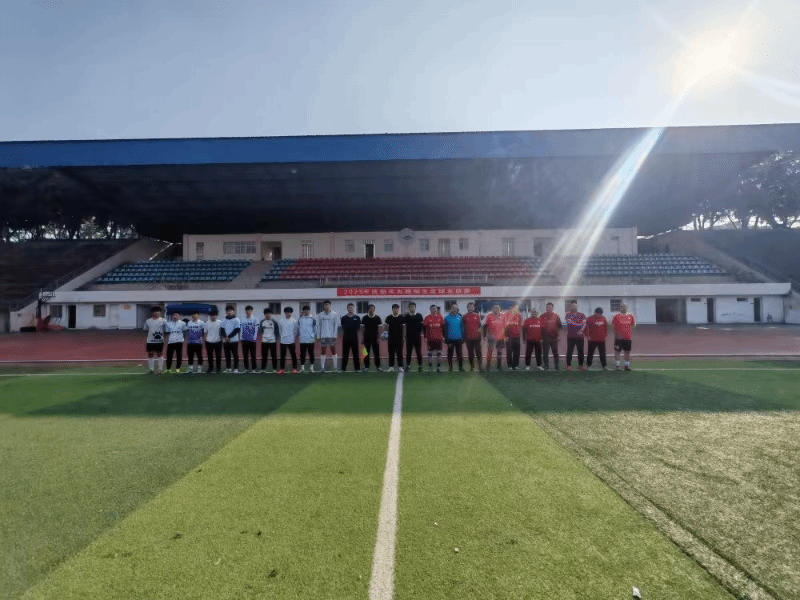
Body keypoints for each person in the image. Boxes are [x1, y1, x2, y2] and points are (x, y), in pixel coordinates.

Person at [611, 303, 636, 371]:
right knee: (617, 351)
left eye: (625, 307)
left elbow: (633, 325)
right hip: (618, 338)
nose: (623, 308)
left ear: (627, 308)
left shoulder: (631, 316)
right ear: (620, 308)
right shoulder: (615, 316)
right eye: (622, 307)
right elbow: (611, 326)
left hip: (628, 338)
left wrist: (628, 333)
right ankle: (617, 366)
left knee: (627, 352)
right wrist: (616, 334)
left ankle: (626, 366)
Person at [316, 300, 339, 373]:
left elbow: (336, 325)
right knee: (323, 352)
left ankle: (335, 368)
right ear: (323, 306)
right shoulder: (320, 315)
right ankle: (322, 368)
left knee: (333, 352)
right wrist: (318, 336)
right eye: (325, 305)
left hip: (331, 336)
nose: (326, 306)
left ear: (330, 305)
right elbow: (318, 326)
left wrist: (335, 335)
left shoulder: (334, 314)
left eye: (328, 305)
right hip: (323, 336)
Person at [143, 306, 167, 374]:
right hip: (150, 341)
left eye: (157, 311)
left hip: (160, 341)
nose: (156, 313)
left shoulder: (163, 321)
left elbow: (166, 331)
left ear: (160, 312)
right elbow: (146, 330)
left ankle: (160, 369)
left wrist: (163, 338)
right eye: (154, 311)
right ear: (152, 312)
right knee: (150, 354)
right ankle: (151, 369)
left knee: (159, 354)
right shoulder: (148, 321)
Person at [564, 302, 587, 372]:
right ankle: (569, 365)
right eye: (573, 306)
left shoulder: (582, 315)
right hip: (571, 336)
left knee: (581, 351)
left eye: (575, 306)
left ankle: (581, 365)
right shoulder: (568, 314)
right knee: (569, 351)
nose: (574, 307)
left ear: (577, 307)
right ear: (570, 307)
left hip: (580, 336)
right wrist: (580, 325)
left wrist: (581, 331)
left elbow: (584, 324)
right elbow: (570, 323)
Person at [540, 302, 562, 370]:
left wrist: (558, 336)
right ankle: (546, 365)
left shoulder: (556, 316)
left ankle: (557, 365)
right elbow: (540, 328)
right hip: (545, 338)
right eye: (547, 307)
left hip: (554, 338)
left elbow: (559, 326)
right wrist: (541, 338)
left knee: (555, 352)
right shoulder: (542, 316)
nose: (548, 308)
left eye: (549, 307)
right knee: (545, 352)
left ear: (552, 308)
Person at [340, 303, 362, 372]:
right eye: (349, 308)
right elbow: (343, 327)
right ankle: (343, 369)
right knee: (345, 354)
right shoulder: (344, 318)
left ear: (353, 309)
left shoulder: (357, 317)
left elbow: (358, 327)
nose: (350, 309)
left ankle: (357, 368)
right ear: (347, 309)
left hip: (354, 338)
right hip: (346, 338)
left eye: (351, 308)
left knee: (356, 354)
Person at [361, 304, 383, 371]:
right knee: (365, 353)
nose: (371, 310)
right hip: (366, 338)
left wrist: (379, 338)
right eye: (370, 308)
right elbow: (362, 329)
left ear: (374, 310)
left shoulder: (378, 318)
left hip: (375, 338)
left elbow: (380, 329)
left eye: (373, 308)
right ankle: (366, 367)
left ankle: (378, 366)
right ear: (368, 310)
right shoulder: (364, 318)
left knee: (376, 353)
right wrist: (362, 337)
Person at [423, 304, 444, 372]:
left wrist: (443, 336)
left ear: (437, 310)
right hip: (430, 339)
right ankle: (430, 366)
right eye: (433, 309)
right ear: (430, 310)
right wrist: (425, 337)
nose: (434, 310)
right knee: (430, 353)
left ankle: (438, 366)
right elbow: (424, 328)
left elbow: (443, 327)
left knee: (439, 353)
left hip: (438, 339)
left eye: (435, 309)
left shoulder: (440, 317)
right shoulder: (427, 318)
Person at [484, 304, 506, 371]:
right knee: (490, 351)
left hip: (500, 337)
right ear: (492, 309)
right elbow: (485, 326)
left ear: (500, 310)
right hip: (491, 337)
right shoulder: (489, 316)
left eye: (498, 309)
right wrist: (485, 335)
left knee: (499, 351)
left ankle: (499, 365)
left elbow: (505, 327)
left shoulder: (503, 316)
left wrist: (506, 335)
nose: (496, 310)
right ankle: (488, 365)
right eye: (495, 308)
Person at [444, 302, 465, 371]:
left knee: (460, 354)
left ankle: (461, 367)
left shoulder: (460, 317)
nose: (454, 309)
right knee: (450, 354)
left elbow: (462, 328)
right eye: (453, 308)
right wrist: (446, 339)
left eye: (455, 308)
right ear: (450, 309)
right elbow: (445, 329)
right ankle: (450, 368)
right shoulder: (446, 318)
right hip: (450, 339)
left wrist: (463, 337)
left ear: (457, 309)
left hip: (458, 339)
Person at [462, 301, 483, 371]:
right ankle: (472, 367)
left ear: (474, 308)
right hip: (468, 338)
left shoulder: (477, 315)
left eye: (472, 307)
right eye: (469, 307)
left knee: (478, 352)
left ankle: (480, 366)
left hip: (477, 338)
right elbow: (463, 327)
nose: (470, 308)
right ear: (467, 308)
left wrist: (479, 334)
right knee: (470, 353)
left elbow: (479, 326)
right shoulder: (464, 316)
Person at [384, 303, 405, 372]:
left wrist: (404, 336)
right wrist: (385, 334)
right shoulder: (389, 318)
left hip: (399, 338)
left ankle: (400, 366)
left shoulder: (402, 318)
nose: (395, 310)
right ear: (392, 309)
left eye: (397, 309)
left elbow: (404, 327)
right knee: (391, 353)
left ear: (398, 310)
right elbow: (386, 327)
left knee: (399, 353)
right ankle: (391, 366)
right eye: (394, 309)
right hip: (391, 338)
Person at [239, 305, 260, 373]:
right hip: (244, 339)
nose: (248, 312)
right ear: (245, 312)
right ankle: (246, 368)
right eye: (247, 311)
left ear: (252, 311)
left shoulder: (255, 319)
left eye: (250, 310)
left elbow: (256, 329)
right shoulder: (242, 319)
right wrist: (241, 338)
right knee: (245, 355)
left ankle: (254, 368)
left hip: (252, 340)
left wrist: (254, 338)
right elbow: (241, 329)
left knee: (253, 354)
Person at [404, 302, 424, 372]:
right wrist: (405, 335)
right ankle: (408, 365)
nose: (412, 308)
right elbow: (404, 326)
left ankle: (420, 366)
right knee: (408, 352)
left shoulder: (419, 315)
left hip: (417, 337)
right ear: (409, 308)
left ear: (415, 307)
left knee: (418, 351)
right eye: (410, 307)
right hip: (409, 337)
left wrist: (419, 332)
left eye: (413, 307)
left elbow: (422, 326)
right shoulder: (406, 316)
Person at [278, 307, 299, 374]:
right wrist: (282, 336)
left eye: (290, 312)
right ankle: (282, 368)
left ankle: (294, 368)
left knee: (293, 355)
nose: (288, 314)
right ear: (285, 313)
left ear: (291, 313)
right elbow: (280, 331)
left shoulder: (294, 321)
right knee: (282, 355)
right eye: (287, 312)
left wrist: (292, 337)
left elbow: (295, 331)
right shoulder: (281, 321)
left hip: (291, 340)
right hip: (283, 341)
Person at [221, 305, 241, 373]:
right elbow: (222, 329)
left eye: (231, 311)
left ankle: (236, 368)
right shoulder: (223, 320)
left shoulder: (236, 320)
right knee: (227, 355)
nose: (229, 312)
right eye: (228, 311)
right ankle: (228, 368)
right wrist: (225, 337)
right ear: (226, 312)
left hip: (234, 340)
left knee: (235, 355)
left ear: (233, 311)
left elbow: (237, 330)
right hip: (226, 341)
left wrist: (229, 337)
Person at [259, 307, 279, 373]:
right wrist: (264, 337)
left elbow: (277, 331)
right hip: (264, 341)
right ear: (264, 314)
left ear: (271, 314)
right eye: (266, 314)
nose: (267, 315)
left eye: (269, 313)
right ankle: (263, 369)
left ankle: (274, 369)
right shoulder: (262, 322)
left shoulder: (274, 322)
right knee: (264, 356)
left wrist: (274, 338)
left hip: (272, 341)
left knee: (274, 356)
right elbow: (261, 331)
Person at [203, 309, 223, 374]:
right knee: (210, 356)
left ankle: (218, 368)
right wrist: (206, 340)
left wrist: (221, 339)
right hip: (209, 342)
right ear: (210, 316)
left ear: (216, 315)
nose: (213, 316)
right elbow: (205, 333)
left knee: (218, 356)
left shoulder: (220, 322)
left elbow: (222, 332)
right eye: (211, 315)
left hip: (218, 341)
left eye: (214, 315)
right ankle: (210, 368)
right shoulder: (206, 323)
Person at [298, 305, 317, 373]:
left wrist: (313, 336)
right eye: (305, 310)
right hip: (302, 340)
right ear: (303, 311)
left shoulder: (312, 319)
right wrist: (300, 336)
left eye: (307, 310)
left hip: (310, 340)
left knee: (311, 354)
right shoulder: (300, 319)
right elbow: (298, 329)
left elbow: (315, 329)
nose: (306, 312)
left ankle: (311, 368)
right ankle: (302, 368)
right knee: (302, 354)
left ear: (309, 311)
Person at [505, 303, 523, 370]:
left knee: (517, 352)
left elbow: (520, 325)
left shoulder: (519, 315)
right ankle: (509, 365)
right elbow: (505, 326)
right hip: (509, 337)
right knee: (509, 351)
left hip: (517, 336)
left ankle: (515, 365)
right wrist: (506, 335)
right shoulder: (507, 315)